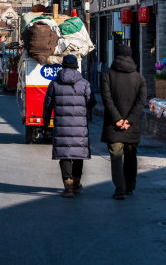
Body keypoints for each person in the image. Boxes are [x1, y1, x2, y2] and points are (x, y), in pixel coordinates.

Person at [43, 54, 95, 198]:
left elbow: (48, 104)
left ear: (63, 66)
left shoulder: (54, 83)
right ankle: (77, 183)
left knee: (65, 155)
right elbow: (92, 102)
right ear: (76, 67)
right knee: (78, 154)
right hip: (80, 126)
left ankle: (68, 187)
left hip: (62, 126)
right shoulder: (84, 83)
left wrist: (46, 121)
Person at [101, 44, 146, 200]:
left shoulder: (107, 75)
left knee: (116, 157)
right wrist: (129, 121)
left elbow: (107, 100)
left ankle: (120, 189)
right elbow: (141, 102)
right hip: (131, 127)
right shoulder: (139, 78)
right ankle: (130, 186)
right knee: (131, 156)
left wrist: (118, 119)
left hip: (114, 126)